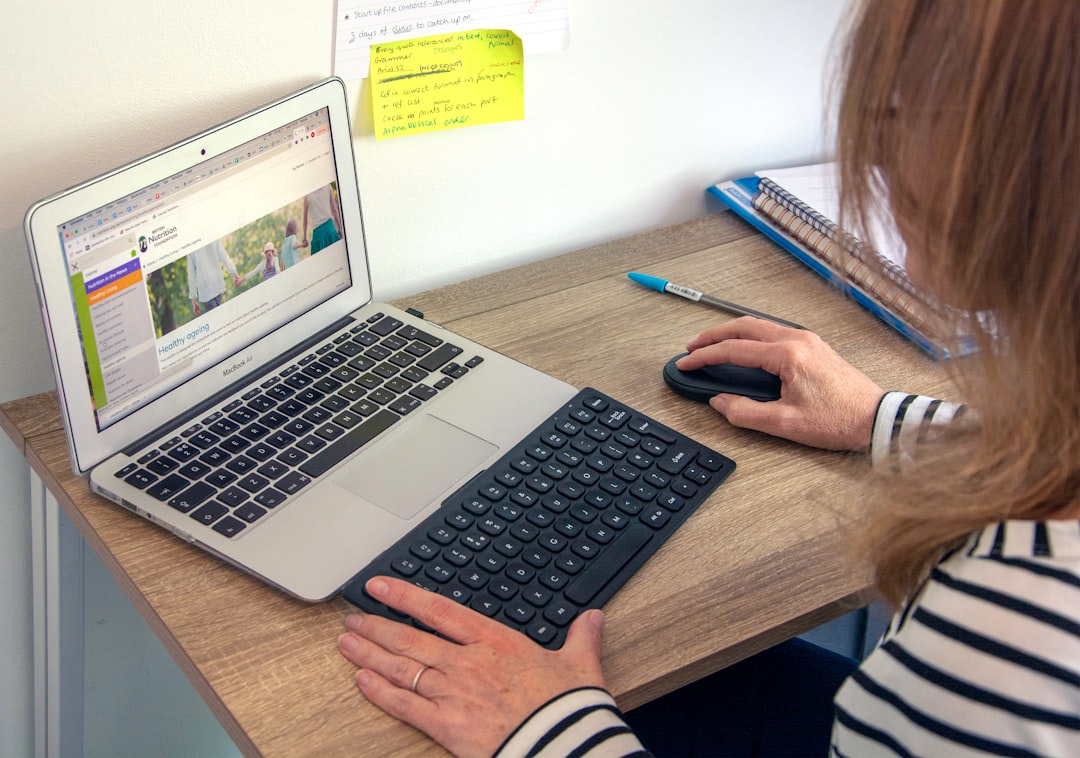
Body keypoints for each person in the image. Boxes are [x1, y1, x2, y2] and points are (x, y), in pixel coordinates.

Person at [337, 1, 1080, 756]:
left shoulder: (1016, 625)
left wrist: (546, 734)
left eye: (907, 106)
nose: (881, 145)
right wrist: (880, 417)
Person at [186, 238, 241, 316]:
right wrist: (235, 274)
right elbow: (224, 256)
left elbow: (192, 276)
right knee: (220, 317)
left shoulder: (190, 245)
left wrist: (194, 301)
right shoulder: (212, 237)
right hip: (217, 284)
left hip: (205, 291)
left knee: (217, 320)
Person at [302, 184, 343, 254]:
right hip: (330, 230)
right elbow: (335, 211)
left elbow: (305, 221)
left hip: (317, 234)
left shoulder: (307, 196)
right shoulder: (328, 187)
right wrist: (339, 228)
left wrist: (305, 238)